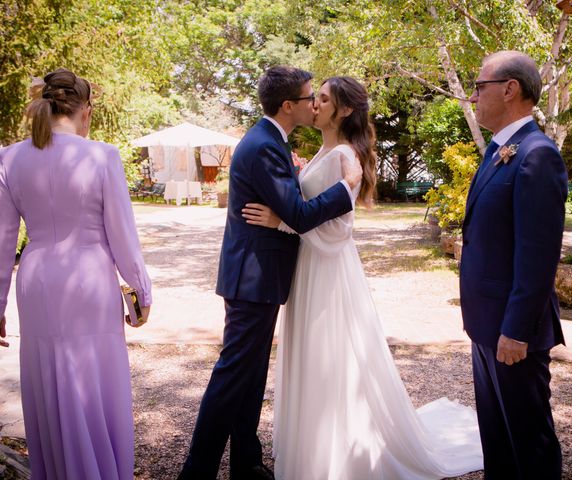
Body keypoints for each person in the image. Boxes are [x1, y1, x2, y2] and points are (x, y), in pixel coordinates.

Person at [242, 76, 483, 480]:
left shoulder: (346, 159)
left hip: (328, 271)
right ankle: (312, 446)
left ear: (345, 110)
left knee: (330, 359)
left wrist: (283, 223)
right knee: (312, 356)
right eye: (313, 97)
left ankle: (337, 456)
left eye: (322, 99)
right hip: (308, 268)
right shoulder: (325, 151)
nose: (314, 104)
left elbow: (340, 231)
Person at [178, 66, 362, 480]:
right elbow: (298, 215)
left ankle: (247, 462)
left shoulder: (272, 143)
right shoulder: (263, 145)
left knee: (250, 373)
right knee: (232, 376)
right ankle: (196, 471)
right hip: (253, 278)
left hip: (260, 276)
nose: (313, 103)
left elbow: (287, 206)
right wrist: (345, 189)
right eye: (308, 97)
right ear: (287, 105)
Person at [0, 68, 152, 479]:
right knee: (96, 379)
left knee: (48, 379)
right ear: (85, 110)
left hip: (36, 282)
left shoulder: (10, 157)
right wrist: (140, 292)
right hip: (89, 280)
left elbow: (2, 239)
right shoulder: (101, 155)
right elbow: (122, 234)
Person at [460, 51, 567, 479]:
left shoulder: (537, 155)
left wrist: (516, 330)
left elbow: (538, 255)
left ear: (510, 89)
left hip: (512, 331)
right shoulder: (499, 150)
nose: (473, 96)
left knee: (529, 444)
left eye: (479, 86)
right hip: (486, 323)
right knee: (498, 441)